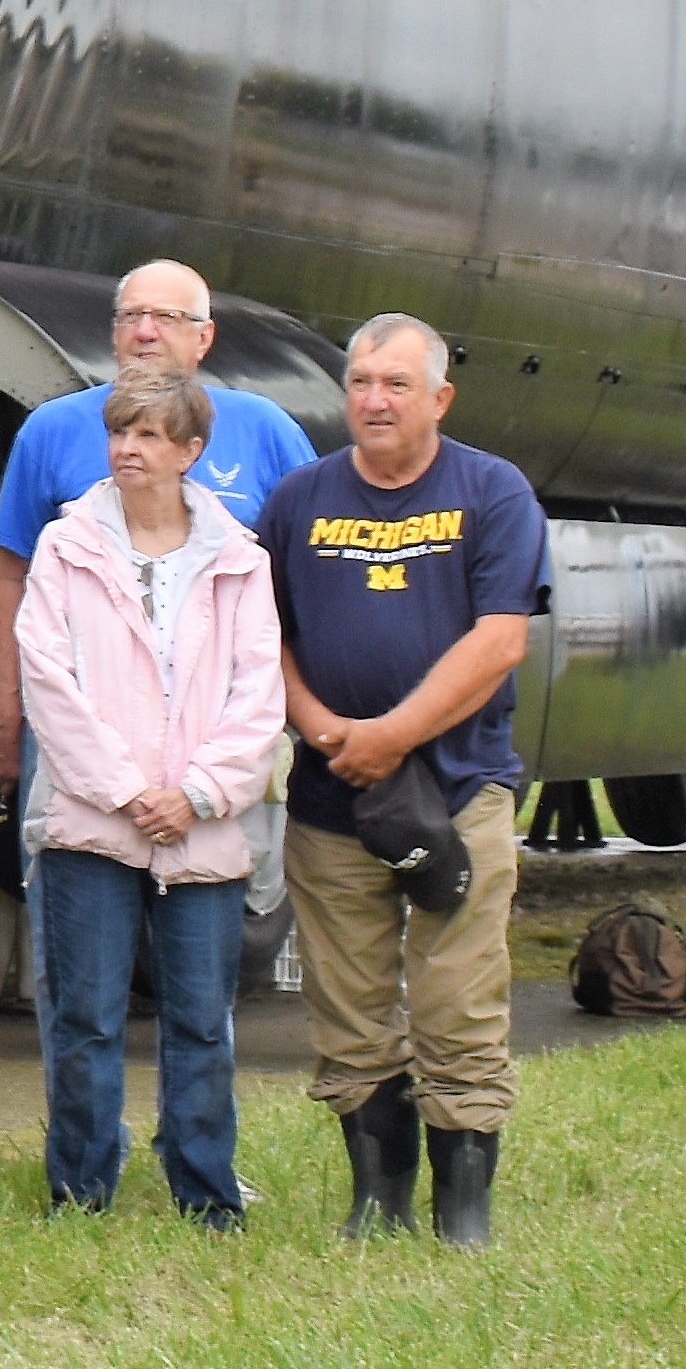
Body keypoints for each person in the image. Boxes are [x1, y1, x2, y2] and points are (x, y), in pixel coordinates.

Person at [258, 317, 550, 1246]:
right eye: (359, 383)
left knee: (458, 1000)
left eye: (395, 383)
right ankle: (375, 1205)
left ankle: (463, 1211)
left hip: (460, 789)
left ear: (439, 397)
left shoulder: (492, 493)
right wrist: (324, 730)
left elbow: (500, 641)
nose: (374, 401)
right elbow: (266, 638)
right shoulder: (300, 500)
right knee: (347, 1011)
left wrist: (392, 735)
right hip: (329, 798)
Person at [9, 369, 287, 1227]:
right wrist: (130, 793)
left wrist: (198, 794)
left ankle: (206, 1192)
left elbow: (258, 695)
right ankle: (81, 1191)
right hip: (91, 824)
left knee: (201, 1020)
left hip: (202, 831)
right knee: (86, 1017)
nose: (128, 449)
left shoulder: (241, 560)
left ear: (190, 452)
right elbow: (48, 680)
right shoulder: (65, 547)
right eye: (119, 432)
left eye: (150, 435)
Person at [0, 260, 309, 806]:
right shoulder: (52, 429)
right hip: (79, 730)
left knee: (213, 880)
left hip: (217, 731)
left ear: (204, 338)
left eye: (166, 317)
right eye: (132, 316)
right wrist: (4, 710)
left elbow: (306, 581)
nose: (146, 331)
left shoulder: (264, 428)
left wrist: (304, 713)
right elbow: (11, 578)